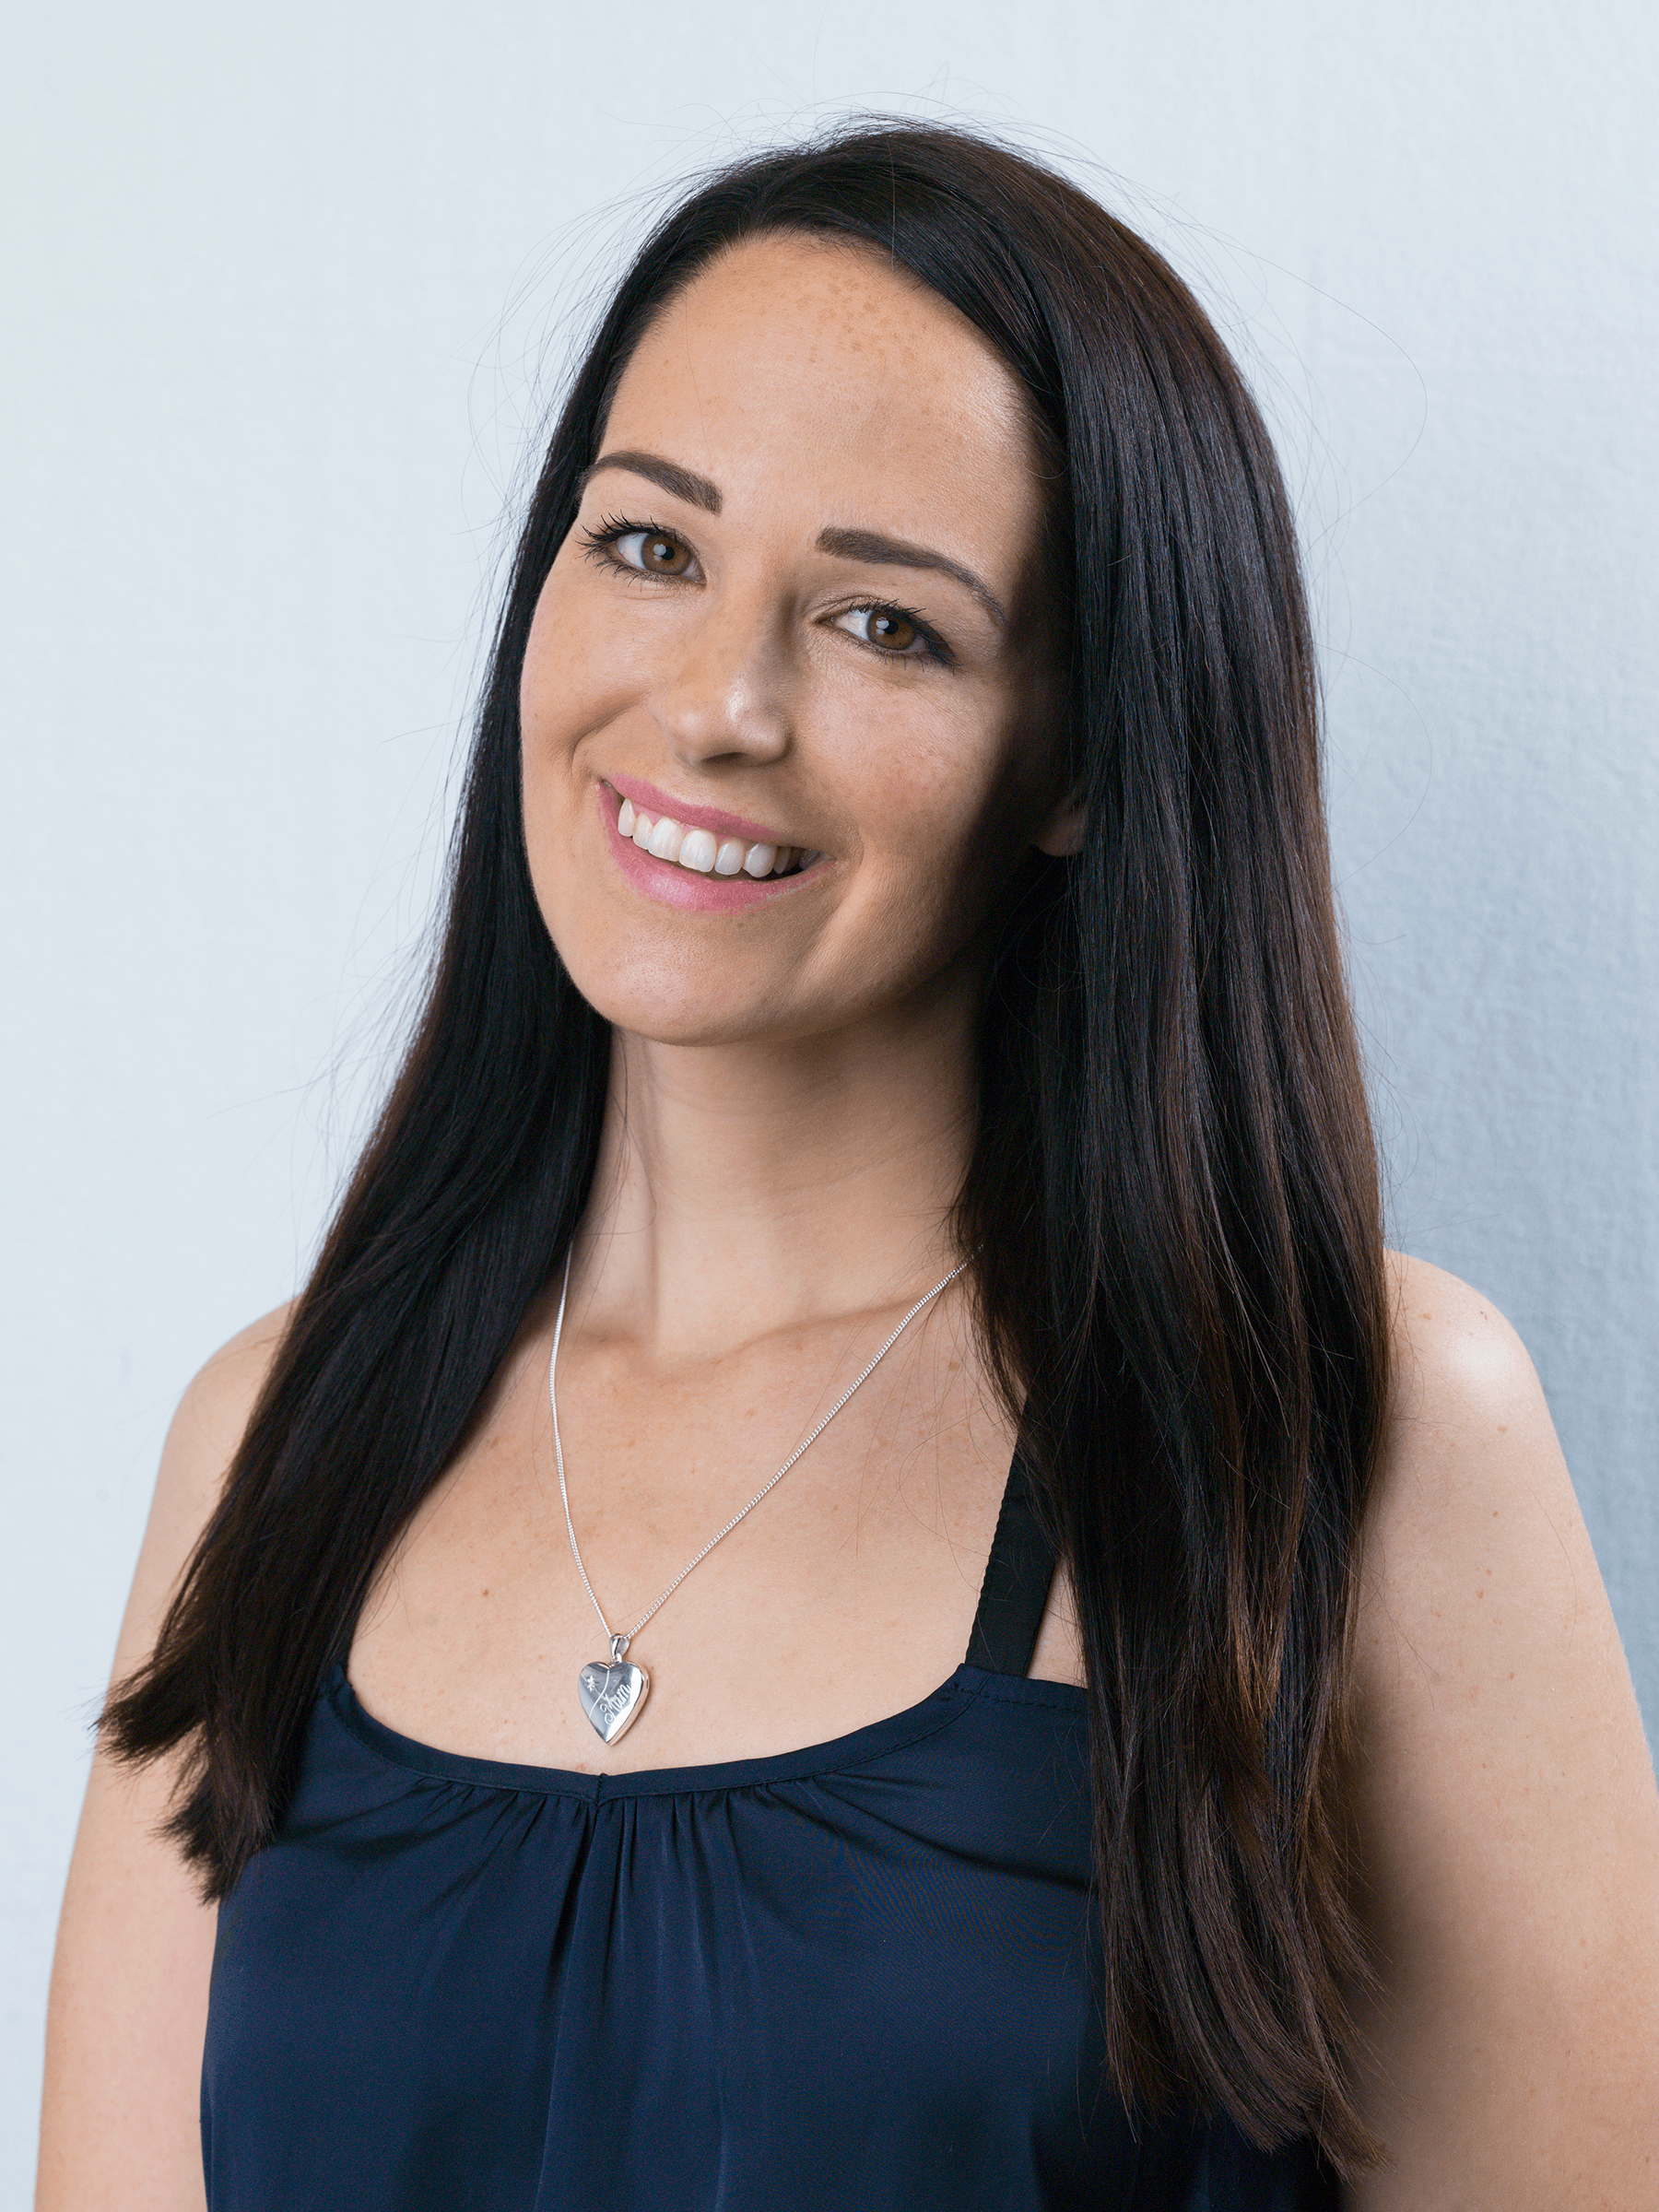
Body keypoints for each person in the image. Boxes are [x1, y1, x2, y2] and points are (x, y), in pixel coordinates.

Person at [37, 123, 1659, 2211]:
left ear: (1081, 756)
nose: (717, 702)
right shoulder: (271, 1439)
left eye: (887, 625)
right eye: (647, 547)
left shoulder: (1352, 1423)